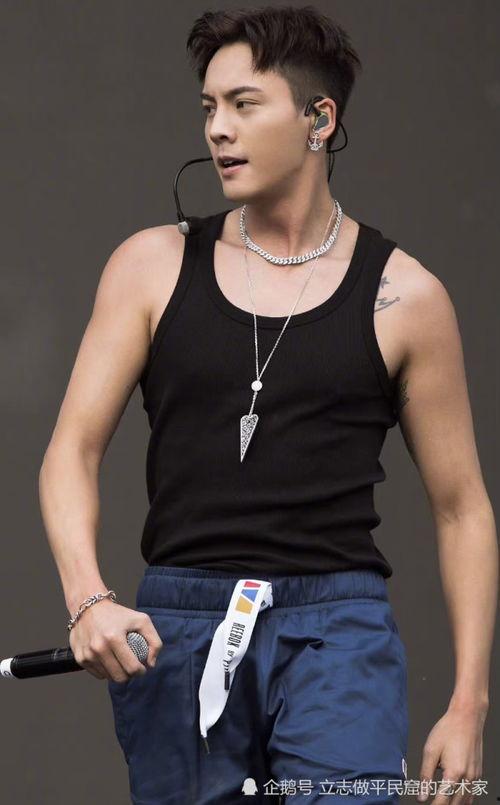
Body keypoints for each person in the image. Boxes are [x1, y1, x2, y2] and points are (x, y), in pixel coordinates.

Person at [38, 6, 497, 805]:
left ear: (320, 119)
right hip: (180, 624)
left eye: (244, 104)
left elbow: (463, 508)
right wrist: (88, 598)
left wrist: (468, 703)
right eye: (209, 107)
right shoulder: (151, 266)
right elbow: (69, 450)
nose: (218, 128)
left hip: (337, 628)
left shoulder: (405, 296)